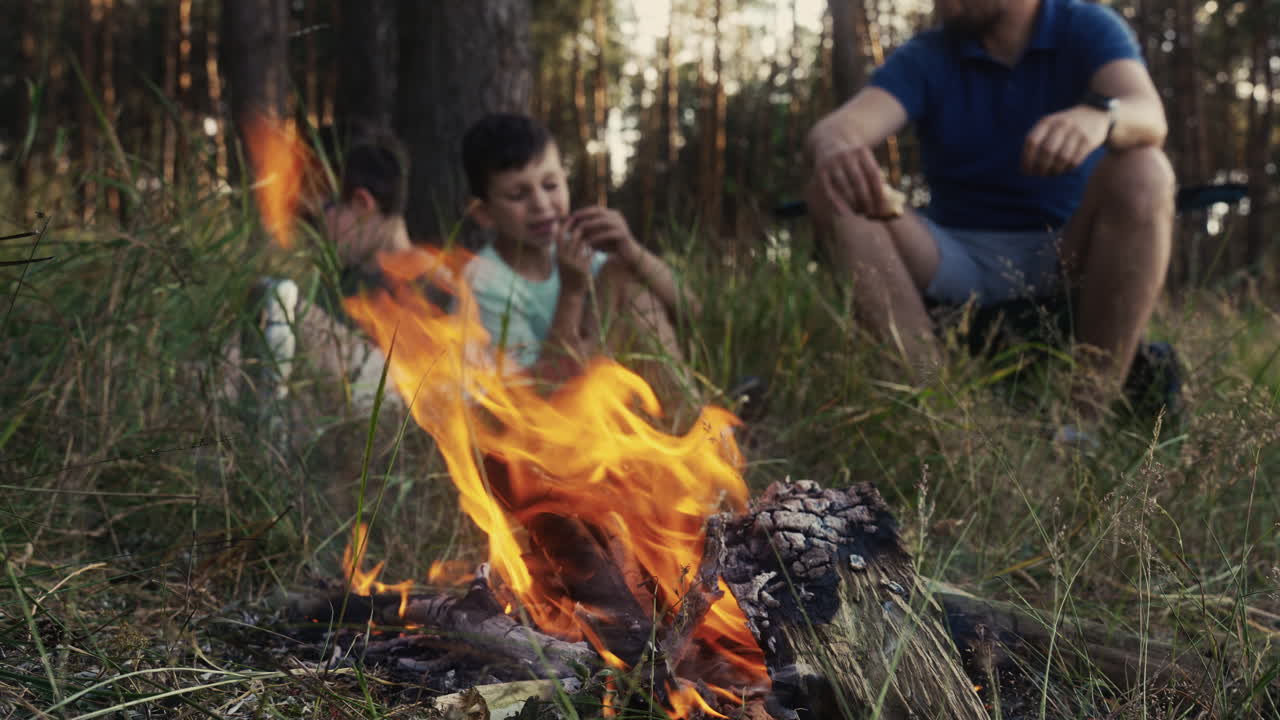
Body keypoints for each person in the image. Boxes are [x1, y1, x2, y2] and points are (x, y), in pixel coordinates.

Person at [804, 0, 1175, 441]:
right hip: (953, 256)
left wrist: (1101, 116)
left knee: (1146, 171)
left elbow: (1149, 114)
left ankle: (1083, 424)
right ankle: (941, 421)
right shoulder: (931, 53)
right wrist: (835, 147)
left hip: (1065, 251)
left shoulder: (1086, 27)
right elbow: (837, 129)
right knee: (831, 190)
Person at [459, 113, 701, 401]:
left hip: (594, 398)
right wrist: (572, 293)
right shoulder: (486, 281)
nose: (541, 204)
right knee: (620, 280)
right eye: (517, 195)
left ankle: (689, 412)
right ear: (484, 213)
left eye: (550, 185)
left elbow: (692, 312)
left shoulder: (576, 252)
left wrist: (631, 250)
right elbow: (538, 392)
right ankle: (690, 416)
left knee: (623, 277)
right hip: (534, 420)